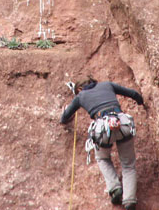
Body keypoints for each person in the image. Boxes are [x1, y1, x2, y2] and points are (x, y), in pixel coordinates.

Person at [60, 76, 144, 210]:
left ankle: (115, 188)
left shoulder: (80, 96)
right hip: (121, 123)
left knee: (102, 158)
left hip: (102, 129)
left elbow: (64, 117)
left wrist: (64, 120)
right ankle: (129, 200)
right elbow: (133, 94)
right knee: (128, 165)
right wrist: (142, 102)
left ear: (80, 88)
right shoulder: (107, 85)